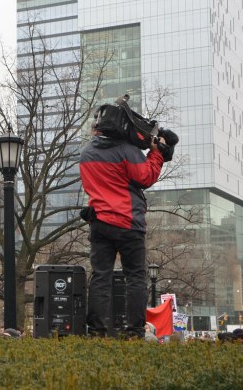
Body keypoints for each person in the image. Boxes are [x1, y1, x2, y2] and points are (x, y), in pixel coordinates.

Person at [80, 121, 170, 339]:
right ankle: (134, 331)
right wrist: (157, 153)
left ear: (97, 130)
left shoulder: (87, 153)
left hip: (100, 221)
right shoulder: (128, 150)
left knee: (100, 277)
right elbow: (146, 177)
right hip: (129, 223)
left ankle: (96, 331)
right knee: (136, 278)